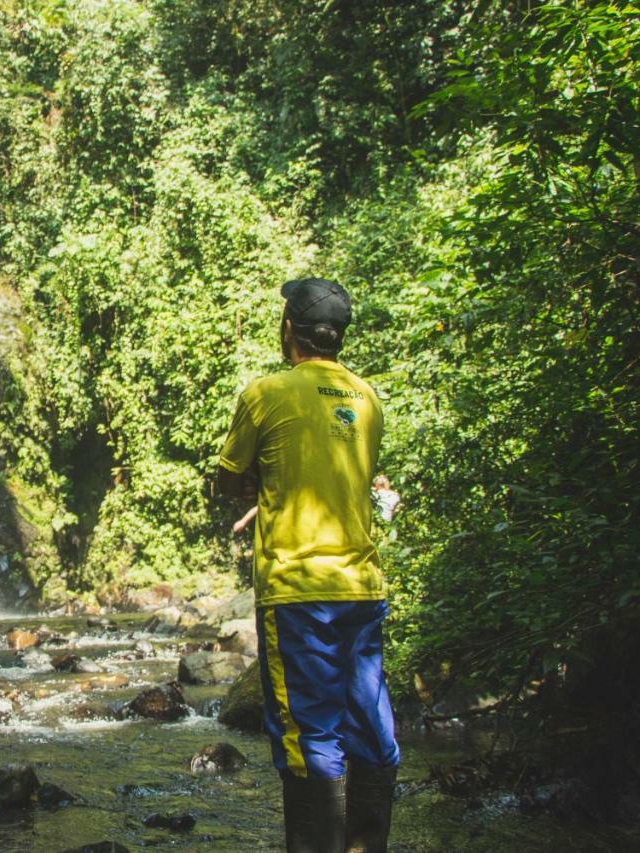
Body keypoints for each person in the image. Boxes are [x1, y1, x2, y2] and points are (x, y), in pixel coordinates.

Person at [217, 278, 399, 853]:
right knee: (370, 728)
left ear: (289, 329)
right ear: (338, 336)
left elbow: (229, 477)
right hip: (363, 586)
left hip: (297, 588)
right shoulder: (368, 398)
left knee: (307, 736)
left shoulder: (266, 393)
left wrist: (252, 484)